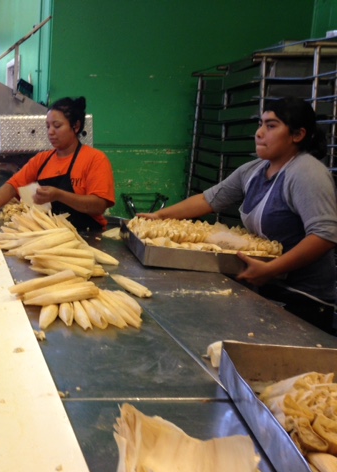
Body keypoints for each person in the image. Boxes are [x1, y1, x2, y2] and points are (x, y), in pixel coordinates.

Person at [139, 97, 337, 334]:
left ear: (297, 135)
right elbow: (208, 200)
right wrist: (160, 216)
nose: (259, 133)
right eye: (260, 124)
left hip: (304, 300)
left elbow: (325, 235)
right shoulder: (254, 170)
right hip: (268, 288)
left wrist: (272, 268)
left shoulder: (307, 173)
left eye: (271, 126)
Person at [0, 96, 115, 231]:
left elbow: (99, 205)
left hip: (87, 236)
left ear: (76, 126)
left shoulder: (95, 159)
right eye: (48, 126)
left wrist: (59, 195)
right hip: (51, 235)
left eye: (56, 126)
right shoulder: (42, 160)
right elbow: (12, 186)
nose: (50, 132)